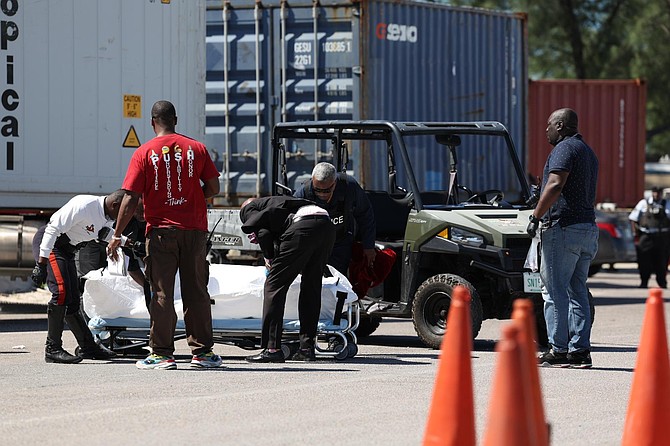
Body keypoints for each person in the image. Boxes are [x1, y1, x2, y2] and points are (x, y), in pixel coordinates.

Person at [107, 100, 222, 370]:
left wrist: (117, 233)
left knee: (161, 293)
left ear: (152, 122)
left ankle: (162, 354)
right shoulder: (197, 148)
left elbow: (130, 198)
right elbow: (214, 187)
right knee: (197, 291)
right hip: (194, 231)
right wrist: (191, 199)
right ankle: (202, 354)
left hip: (161, 233)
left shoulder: (144, 152)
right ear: (176, 120)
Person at [526, 108, 599, 369]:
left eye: (549, 125)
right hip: (587, 228)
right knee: (577, 290)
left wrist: (536, 216)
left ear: (560, 125)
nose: (546, 130)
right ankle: (580, 352)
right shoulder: (587, 152)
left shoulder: (564, 149)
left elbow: (556, 184)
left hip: (563, 228)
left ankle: (558, 350)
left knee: (554, 291)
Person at [30, 191, 125, 364]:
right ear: (115, 205)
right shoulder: (84, 205)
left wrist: (133, 245)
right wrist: (41, 265)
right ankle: (52, 349)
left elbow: (104, 234)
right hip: (51, 244)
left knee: (72, 299)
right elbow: (52, 229)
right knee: (61, 293)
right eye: (125, 212)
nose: (126, 217)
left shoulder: (107, 215)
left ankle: (88, 347)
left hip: (66, 251)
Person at [239, 196, 335, 362]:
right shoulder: (282, 201)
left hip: (302, 226)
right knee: (311, 287)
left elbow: (263, 232)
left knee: (274, 285)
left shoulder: (250, 207)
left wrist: (269, 258)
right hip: (326, 225)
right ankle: (306, 348)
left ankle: (272, 348)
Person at [293, 162, 376, 276]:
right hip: (313, 245)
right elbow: (291, 224)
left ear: (335, 183)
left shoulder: (349, 187)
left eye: (326, 191)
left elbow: (365, 214)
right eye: (317, 190)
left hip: (340, 243)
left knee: (336, 281)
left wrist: (368, 246)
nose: (322, 194)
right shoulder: (303, 192)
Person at [628, 186, 670, 288]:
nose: (656, 195)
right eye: (654, 192)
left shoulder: (666, 204)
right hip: (646, 236)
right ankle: (644, 282)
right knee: (644, 261)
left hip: (662, 237)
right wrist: (635, 234)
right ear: (652, 193)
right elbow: (633, 218)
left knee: (662, 261)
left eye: (658, 193)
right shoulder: (644, 203)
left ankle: (662, 282)